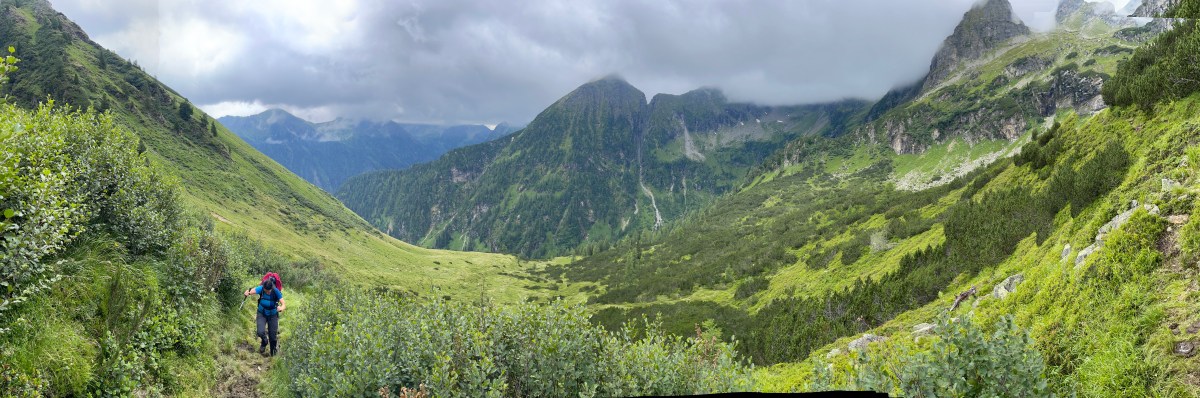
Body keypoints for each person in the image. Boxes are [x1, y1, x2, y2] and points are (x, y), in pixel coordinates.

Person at [244, 276, 285, 356]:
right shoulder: (262, 288)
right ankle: (264, 342)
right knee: (260, 332)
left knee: (273, 337)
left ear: (271, 288)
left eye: (269, 291)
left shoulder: (275, 291)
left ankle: (273, 353)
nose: (267, 292)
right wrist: (247, 293)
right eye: (266, 291)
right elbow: (252, 291)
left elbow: (283, 304)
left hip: (273, 315)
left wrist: (281, 308)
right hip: (261, 313)